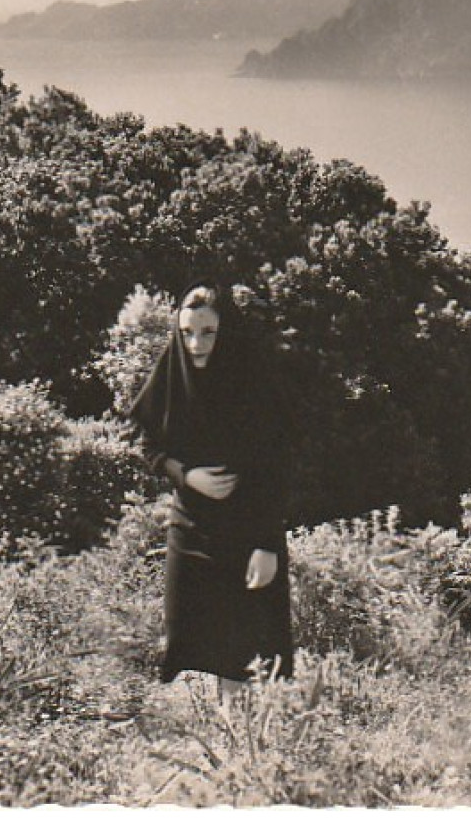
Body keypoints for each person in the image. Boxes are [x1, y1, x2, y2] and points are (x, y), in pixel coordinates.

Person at [128, 283, 293, 697]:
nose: (196, 343)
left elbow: (278, 468)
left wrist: (268, 544)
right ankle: (217, 743)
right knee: (192, 640)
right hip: (190, 527)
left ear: (227, 333)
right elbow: (148, 446)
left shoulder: (256, 386)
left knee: (244, 652)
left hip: (248, 532)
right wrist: (186, 475)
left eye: (207, 332)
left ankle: (242, 751)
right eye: (186, 332)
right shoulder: (172, 376)